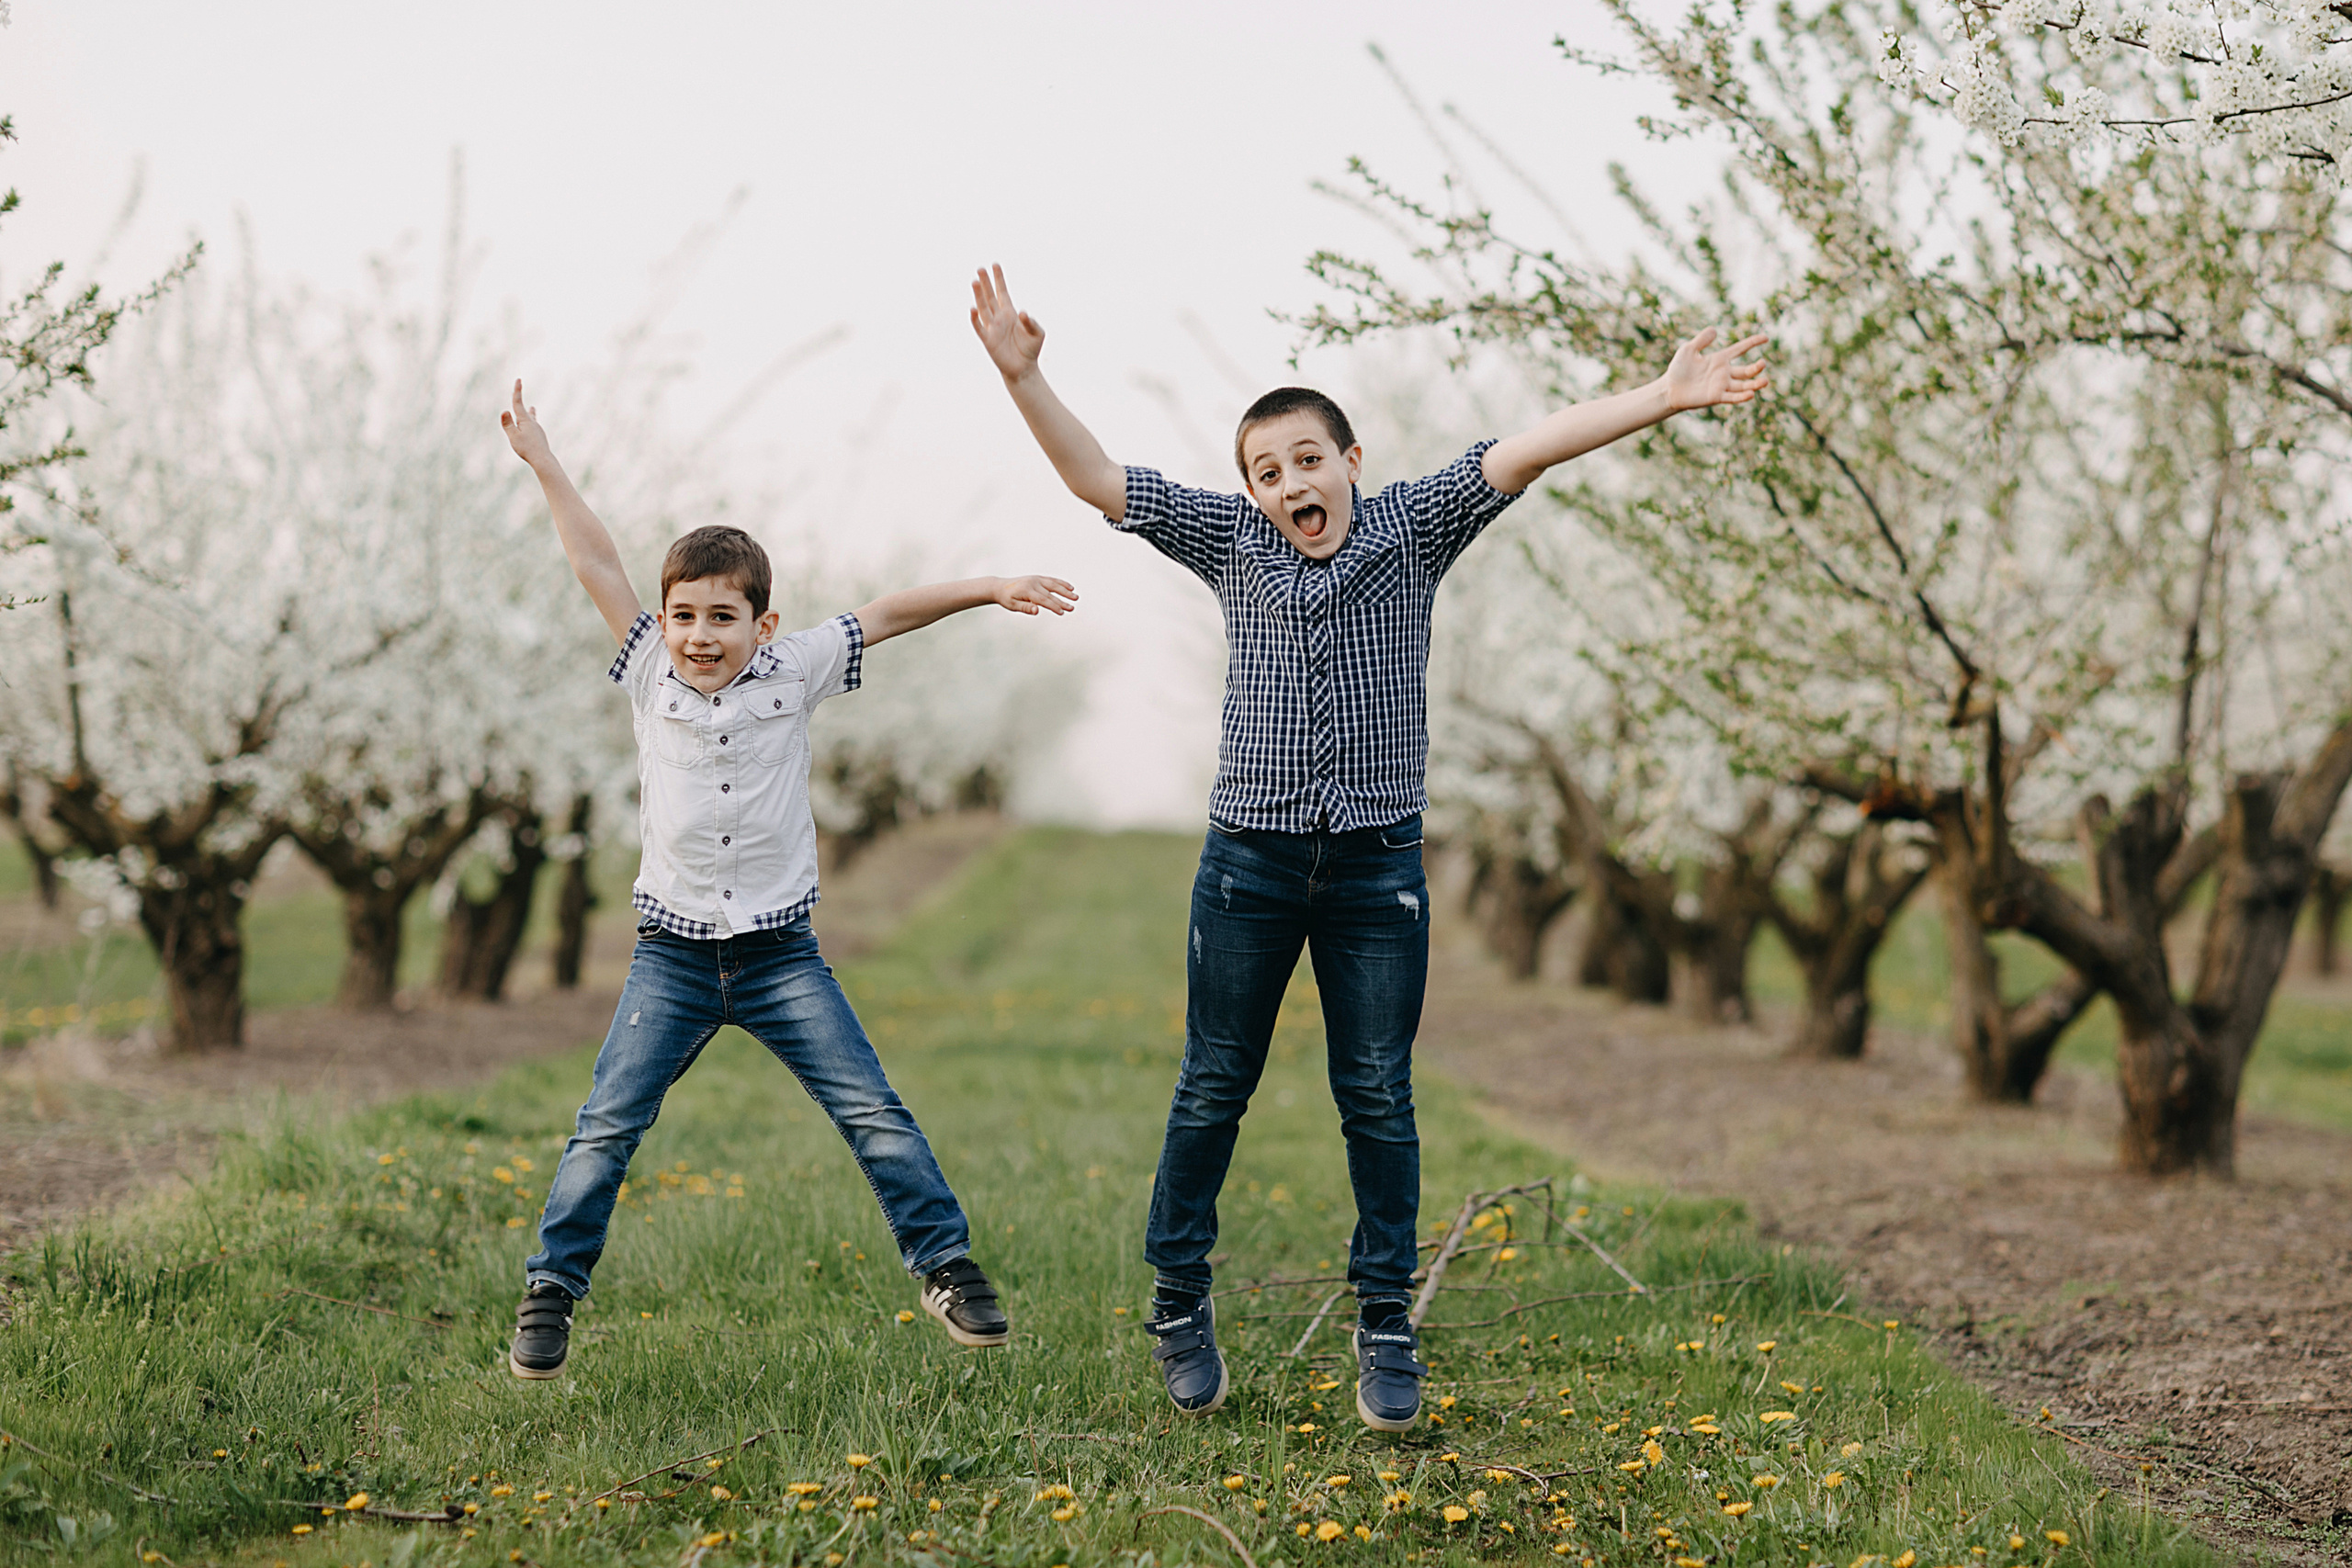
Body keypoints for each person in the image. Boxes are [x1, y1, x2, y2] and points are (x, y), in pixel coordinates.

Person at [968, 265, 1767, 1429]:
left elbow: (1526, 451)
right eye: (1266, 471)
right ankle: (1178, 1299)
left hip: (1375, 870)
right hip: (1248, 865)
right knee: (1213, 1085)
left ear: (1351, 462)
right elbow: (1098, 480)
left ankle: (1384, 1318)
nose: (1290, 483)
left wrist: (1662, 396)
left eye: (1307, 460)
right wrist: (1025, 377)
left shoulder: (1409, 530)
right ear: (1251, 490)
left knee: (1378, 1096)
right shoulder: (1230, 540)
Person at [497, 378, 1076, 1380]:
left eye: (723, 617)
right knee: (606, 1125)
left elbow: (887, 612)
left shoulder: (796, 668)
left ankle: (945, 1267)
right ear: (663, 621)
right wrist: (545, 463)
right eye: (684, 615)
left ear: (763, 625)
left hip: (779, 957)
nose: (700, 635)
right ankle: (552, 1290)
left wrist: (988, 586)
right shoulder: (648, 669)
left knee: (872, 1110)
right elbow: (595, 560)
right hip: (672, 956)